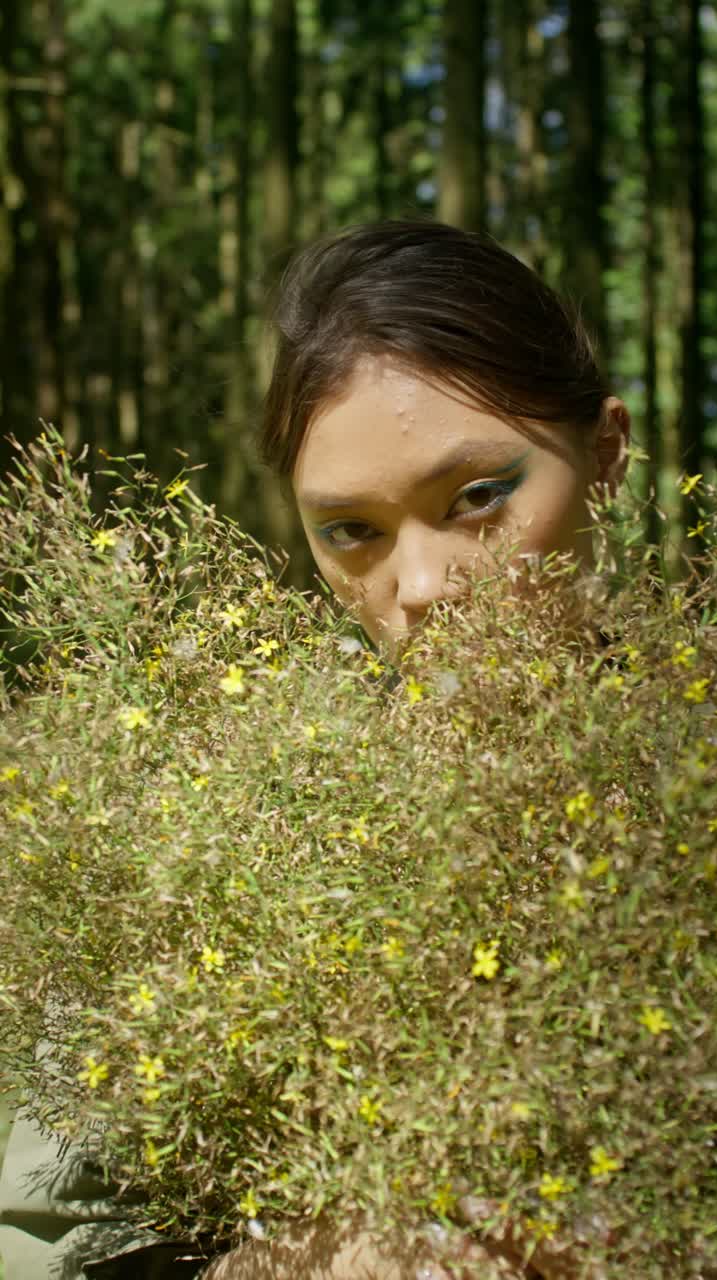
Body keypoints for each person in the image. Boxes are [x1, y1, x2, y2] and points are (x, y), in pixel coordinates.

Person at [0, 219, 630, 1280]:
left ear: (608, 453)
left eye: (478, 498)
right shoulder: (209, 838)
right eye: (352, 530)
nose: (422, 587)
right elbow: (48, 1246)